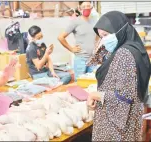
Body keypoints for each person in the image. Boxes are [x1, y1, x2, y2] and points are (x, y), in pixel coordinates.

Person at [86, 11, 151, 141]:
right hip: (127, 120)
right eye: (101, 37)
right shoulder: (132, 48)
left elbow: (124, 97)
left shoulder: (124, 54)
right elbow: (99, 60)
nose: (104, 40)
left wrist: (95, 95)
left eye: (106, 35)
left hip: (115, 126)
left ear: (120, 30)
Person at [58, 1, 99, 81]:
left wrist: (96, 44)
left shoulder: (95, 21)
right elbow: (61, 37)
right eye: (84, 7)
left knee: (92, 83)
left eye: (88, 6)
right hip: (81, 59)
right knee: (80, 84)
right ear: (80, 9)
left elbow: (98, 34)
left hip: (93, 59)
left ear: (91, 8)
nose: (86, 8)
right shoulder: (75, 22)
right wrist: (71, 49)